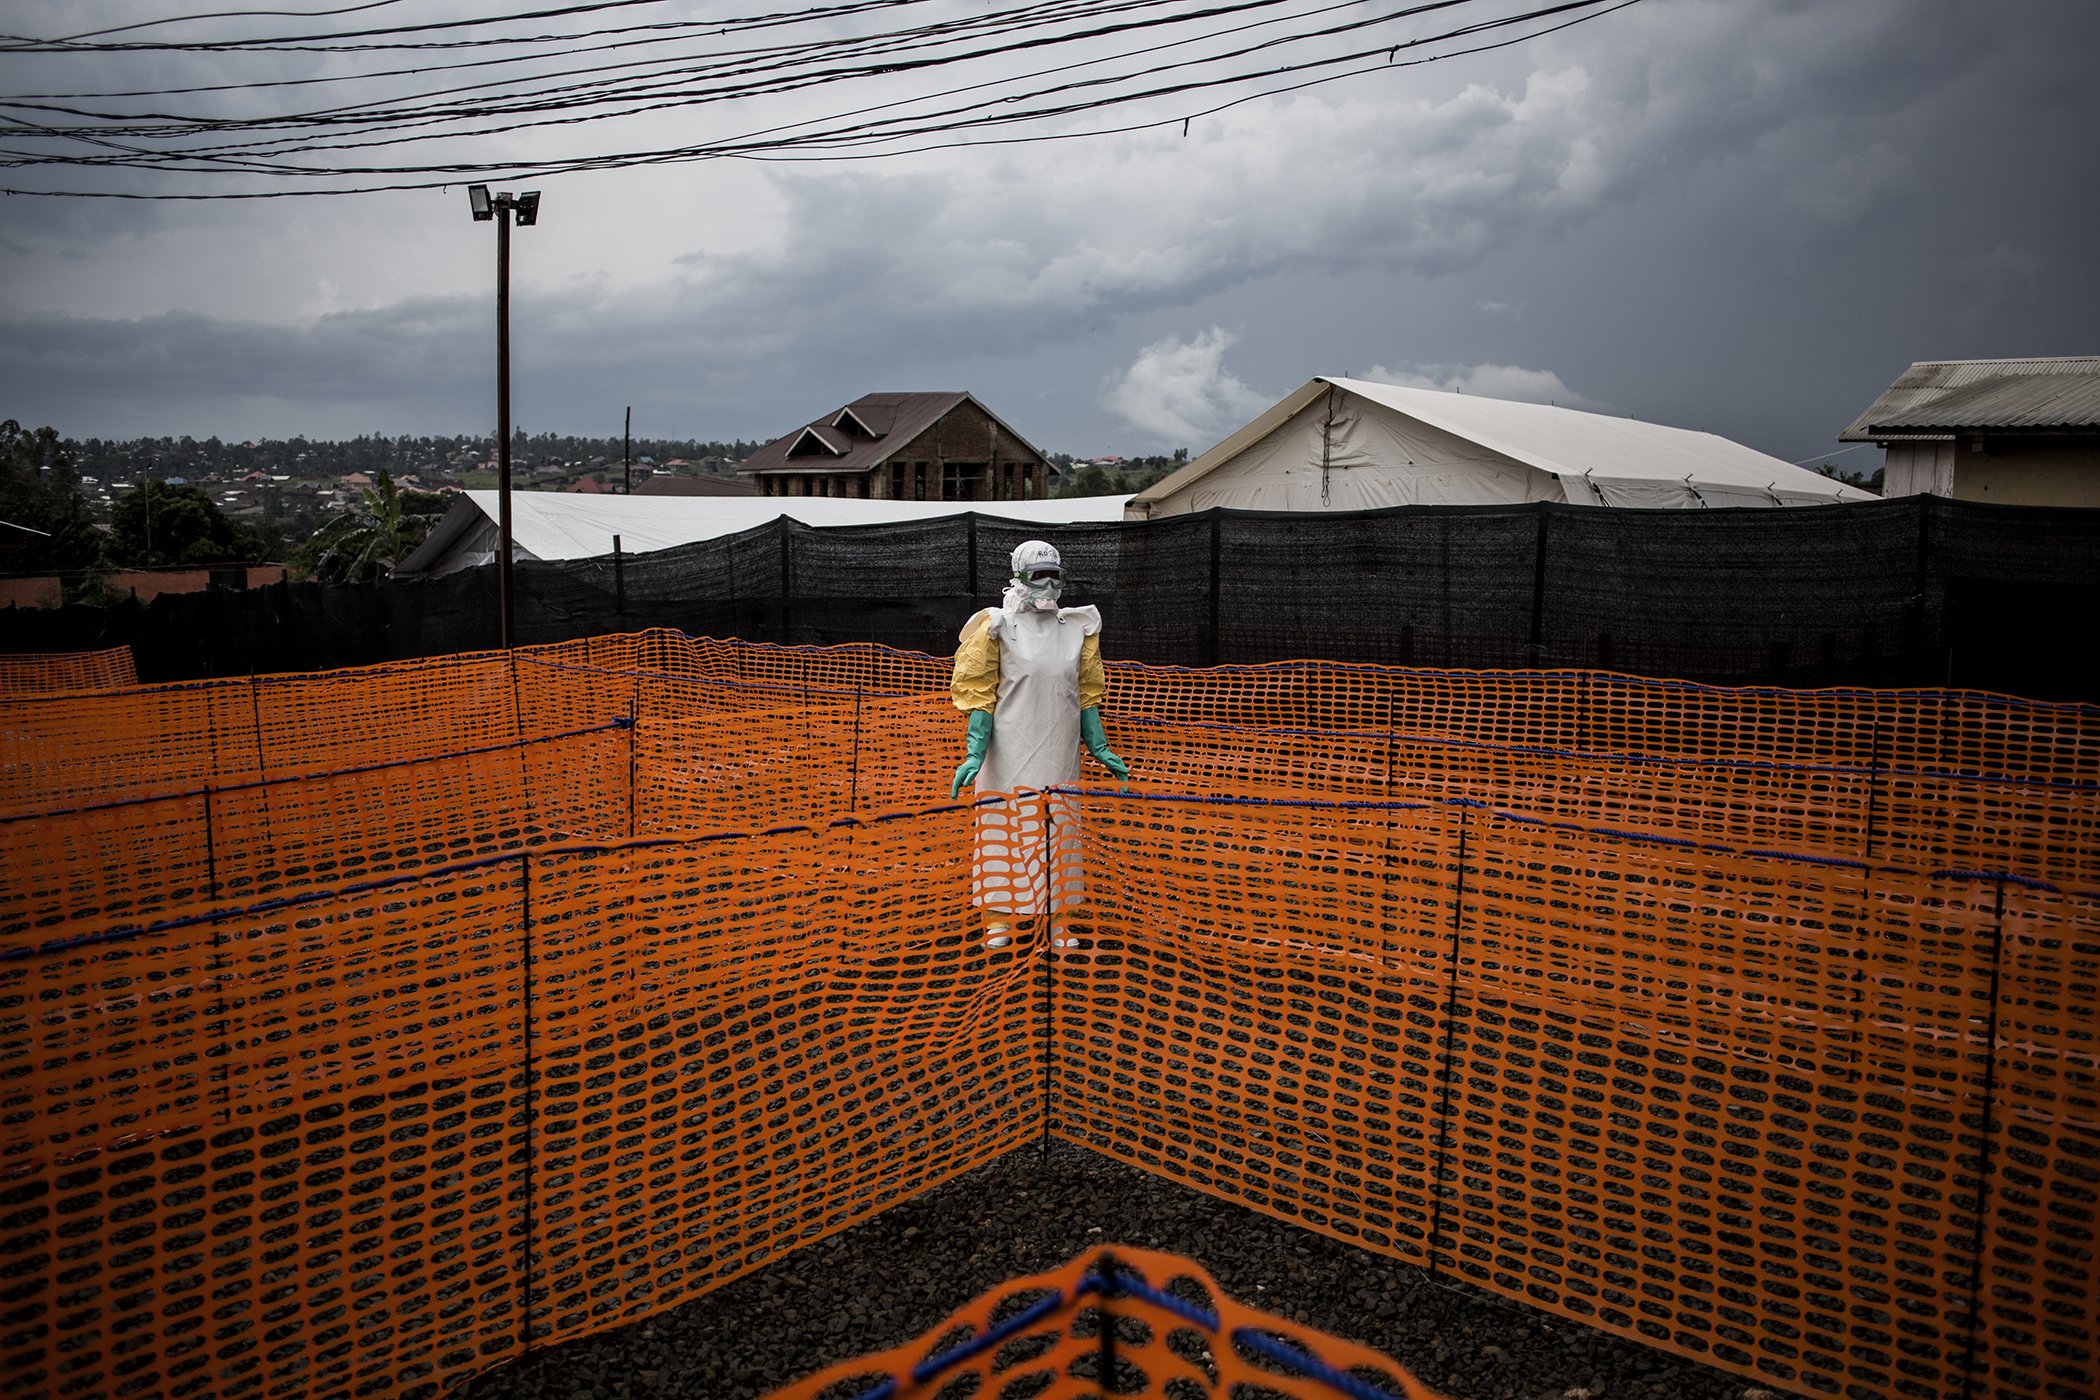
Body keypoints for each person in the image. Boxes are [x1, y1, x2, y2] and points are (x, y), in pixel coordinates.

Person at [949, 540, 1130, 948]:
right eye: (1038, 575)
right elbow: (981, 692)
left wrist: (1100, 748)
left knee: (1060, 828)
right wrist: (975, 753)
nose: (1049, 585)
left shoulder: (1075, 629)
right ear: (1018, 577)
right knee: (1003, 825)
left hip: (1059, 751)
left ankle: (1058, 918)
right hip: (1008, 750)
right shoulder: (997, 627)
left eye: (1056, 575)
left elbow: (1085, 694)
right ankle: (998, 917)